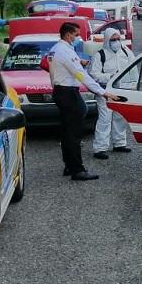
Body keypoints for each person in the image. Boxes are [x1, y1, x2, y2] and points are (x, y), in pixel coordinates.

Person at [49, 22, 121, 181]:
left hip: (60, 91)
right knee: (74, 135)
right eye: (76, 34)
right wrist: (102, 92)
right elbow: (81, 75)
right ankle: (77, 170)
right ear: (68, 34)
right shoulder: (65, 52)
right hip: (68, 93)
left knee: (67, 133)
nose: (78, 38)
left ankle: (69, 165)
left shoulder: (55, 49)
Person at [86, 30, 134, 159]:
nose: (116, 42)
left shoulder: (126, 52)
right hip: (105, 92)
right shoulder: (99, 55)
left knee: (120, 118)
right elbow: (93, 74)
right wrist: (110, 77)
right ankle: (100, 148)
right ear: (107, 40)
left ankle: (120, 143)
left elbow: (134, 68)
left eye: (118, 39)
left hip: (122, 90)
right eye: (113, 40)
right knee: (105, 119)